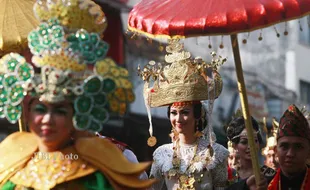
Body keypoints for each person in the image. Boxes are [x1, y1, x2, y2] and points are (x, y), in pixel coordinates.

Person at [0, 0, 154, 189]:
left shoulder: (99, 175)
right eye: (40, 109)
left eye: (59, 111)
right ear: (28, 112)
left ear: (76, 115)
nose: (47, 119)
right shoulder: (12, 170)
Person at [138, 39, 229, 189]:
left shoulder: (217, 154)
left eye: (185, 112)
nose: (178, 118)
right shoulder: (162, 154)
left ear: (198, 115)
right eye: (174, 113)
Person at [225, 112, 275, 189]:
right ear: (235, 146)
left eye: (255, 141)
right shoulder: (227, 175)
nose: (251, 146)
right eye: (244, 142)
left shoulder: (270, 175)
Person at [268, 104, 310, 189]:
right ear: (276, 150)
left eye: (298, 147)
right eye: (284, 146)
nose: (290, 154)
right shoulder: (262, 184)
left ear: (309, 152)